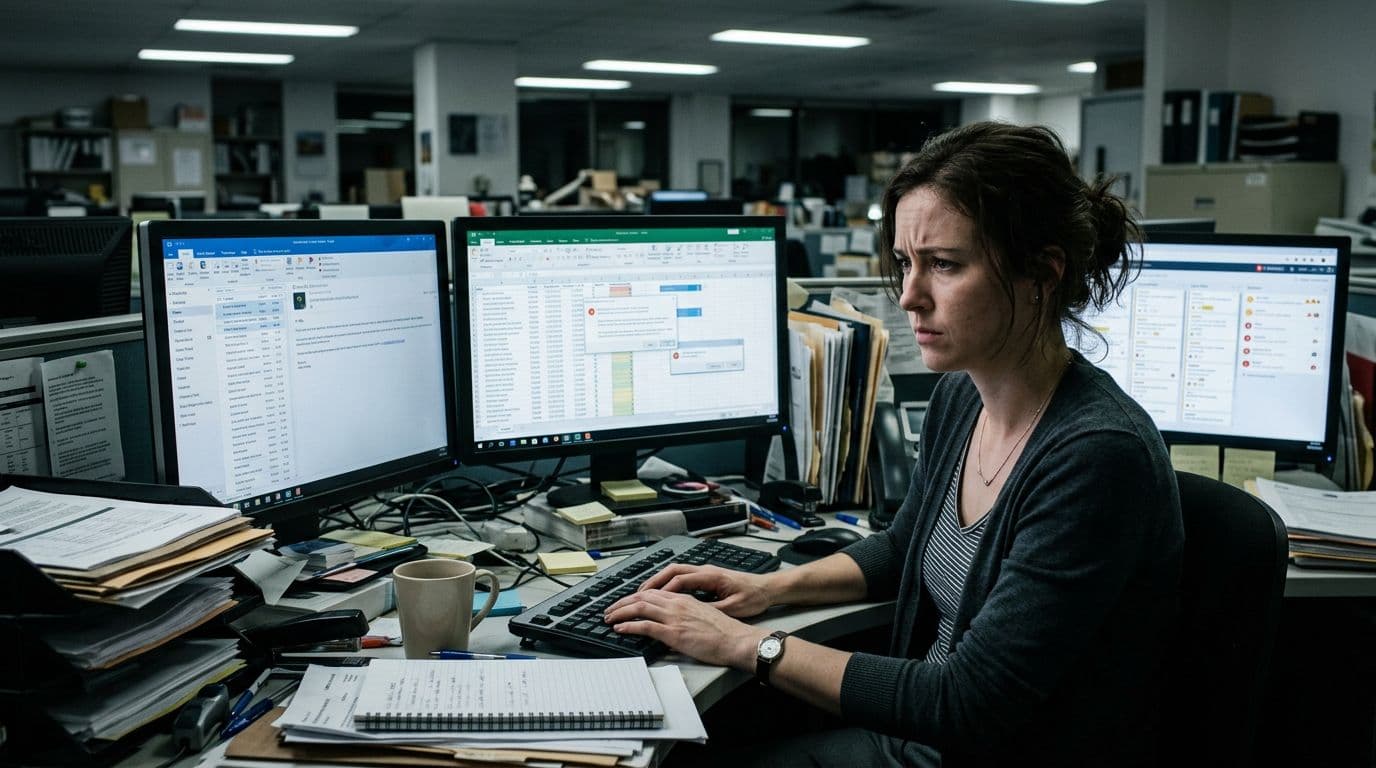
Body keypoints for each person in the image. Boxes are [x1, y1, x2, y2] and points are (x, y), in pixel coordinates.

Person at [604, 121, 1184, 767]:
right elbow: (905, 547)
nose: (909, 296)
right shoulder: (964, 396)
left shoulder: (1096, 456)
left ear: (1041, 273)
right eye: (907, 262)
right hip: (919, 736)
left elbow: (969, 701)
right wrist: (768, 590)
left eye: (944, 264)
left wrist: (747, 646)